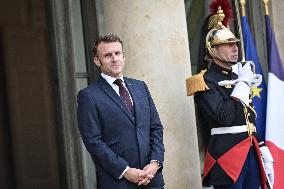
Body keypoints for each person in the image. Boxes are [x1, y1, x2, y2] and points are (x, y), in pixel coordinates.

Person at [186, 1, 274, 189]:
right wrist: (241, 84)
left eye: (235, 44)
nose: (235, 48)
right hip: (227, 157)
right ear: (212, 50)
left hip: (251, 151)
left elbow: (248, 116)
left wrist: (262, 147)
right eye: (227, 45)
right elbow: (224, 117)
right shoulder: (205, 81)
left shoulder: (238, 76)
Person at [77, 33, 164, 189]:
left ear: (123, 56)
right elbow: (93, 142)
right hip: (117, 182)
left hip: (152, 179)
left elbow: (155, 127)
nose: (115, 58)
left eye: (118, 53)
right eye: (108, 55)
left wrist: (155, 163)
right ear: (98, 61)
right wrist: (125, 171)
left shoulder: (140, 87)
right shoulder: (89, 96)